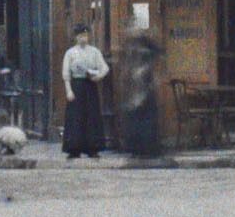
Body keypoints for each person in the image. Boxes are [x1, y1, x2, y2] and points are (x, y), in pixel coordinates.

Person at [62, 22, 109, 158]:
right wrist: (68, 90)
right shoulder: (70, 53)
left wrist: (98, 77)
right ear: (76, 37)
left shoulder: (94, 52)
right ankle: (74, 149)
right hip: (76, 86)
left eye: (86, 35)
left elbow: (105, 68)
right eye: (81, 36)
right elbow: (66, 73)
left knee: (91, 116)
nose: (83, 38)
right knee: (76, 117)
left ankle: (92, 148)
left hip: (90, 86)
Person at [118, 27, 164, 159]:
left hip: (145, 85)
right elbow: (126, 64)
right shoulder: (130, 45)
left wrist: (146, 70)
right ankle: (137, 148)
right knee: (136, 117)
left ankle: (147, 148)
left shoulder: (147, 45)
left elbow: (158, 59)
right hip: (134, 86)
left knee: (145, 117)